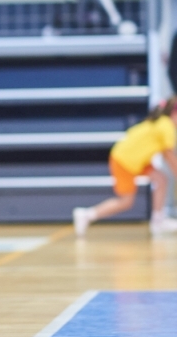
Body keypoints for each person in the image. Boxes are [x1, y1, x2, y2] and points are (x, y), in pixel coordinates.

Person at [73, 97, 177, 237]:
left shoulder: (161, 122)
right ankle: (86, 215)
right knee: (126, 201)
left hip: (136, 159)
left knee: (161, 179)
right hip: (125, 161)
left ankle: (158, 221)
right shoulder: (166, 126)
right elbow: (169, 156)